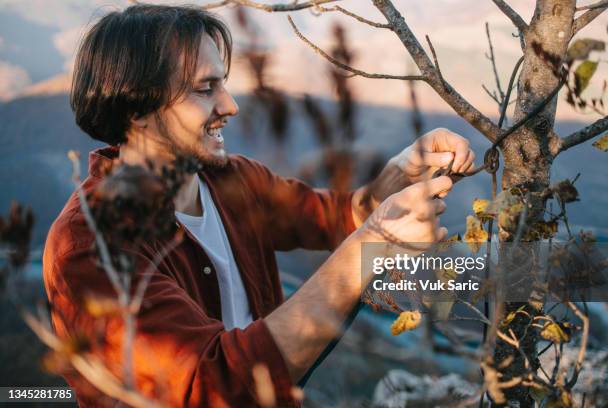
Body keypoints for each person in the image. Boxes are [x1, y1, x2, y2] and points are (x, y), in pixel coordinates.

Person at [43, 4, 475, 407]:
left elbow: (336, 217)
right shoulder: (88, 246)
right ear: (138, 108)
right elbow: (213, 387)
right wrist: (366, 251)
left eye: (223, 83)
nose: (229, 105)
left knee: (512, 283)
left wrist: (393, 179)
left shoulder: (233, 180)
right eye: (204, 88)